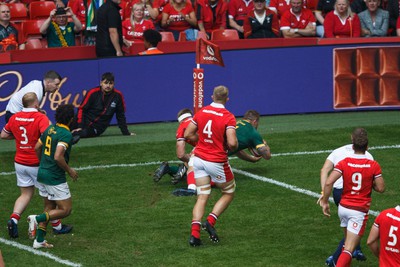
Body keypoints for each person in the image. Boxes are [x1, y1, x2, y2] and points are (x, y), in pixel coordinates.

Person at [1, 92, 71, 239]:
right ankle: (56, 226)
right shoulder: (40, 117)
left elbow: (4, 135)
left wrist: (21, 138)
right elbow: (49, 136)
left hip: (19, 161)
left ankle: (14, 218)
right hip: (35, 162)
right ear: (37, 104)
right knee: (49, 196)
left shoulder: (14, 117)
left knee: (25, 193)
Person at [320, 128, 385, 267]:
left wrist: (325, 201)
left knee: (347, 245)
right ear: (367, 147)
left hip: (343, 207)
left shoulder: (344, 162)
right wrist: (370, 182)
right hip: (358, 210)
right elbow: (381, 188)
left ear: (352, 145)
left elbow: (329, 182)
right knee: (349, 248)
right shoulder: (373, 165)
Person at [184, 85, 238, 247]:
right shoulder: (228, 117)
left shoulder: (202, 112)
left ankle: (194, 235)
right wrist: (229, 148)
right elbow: (233, 142)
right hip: (216, 161)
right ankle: (210, 221)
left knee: (202, 196)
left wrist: (202, 141)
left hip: (199, 159)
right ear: (227, 99)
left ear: (212, 97)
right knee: (228, 192)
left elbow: (188, 134)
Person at [28, 104, 78, 249]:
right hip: (54, 177)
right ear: (71, 119)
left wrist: (43, 162)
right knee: (65, 210)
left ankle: (39, 240)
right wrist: (69, 171)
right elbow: (58, 156)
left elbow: (37, 147)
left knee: (49, 206)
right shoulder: (66, 134)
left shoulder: (49, 129)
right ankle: (36, 219)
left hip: (42, 173)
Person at [72, 72, 134, 138]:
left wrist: (126, 132)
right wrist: (80, 126)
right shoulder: (92, 92)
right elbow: (81, 109)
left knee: (82, 134)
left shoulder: (118, 95)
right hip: (82, 122)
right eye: (106, 83)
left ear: (114, 84)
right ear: (101, 83)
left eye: (110, 83)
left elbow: (120, 115)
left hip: (97, 127)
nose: (108, 86)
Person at [153, 108, 197, 196]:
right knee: (209, 176)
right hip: (213, 145)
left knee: (191, 163)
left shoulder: (180, 129)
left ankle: (171, 169)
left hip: (202, 147)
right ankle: (191, 188)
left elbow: (180, 155)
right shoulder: (198, 120)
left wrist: (188, 160)